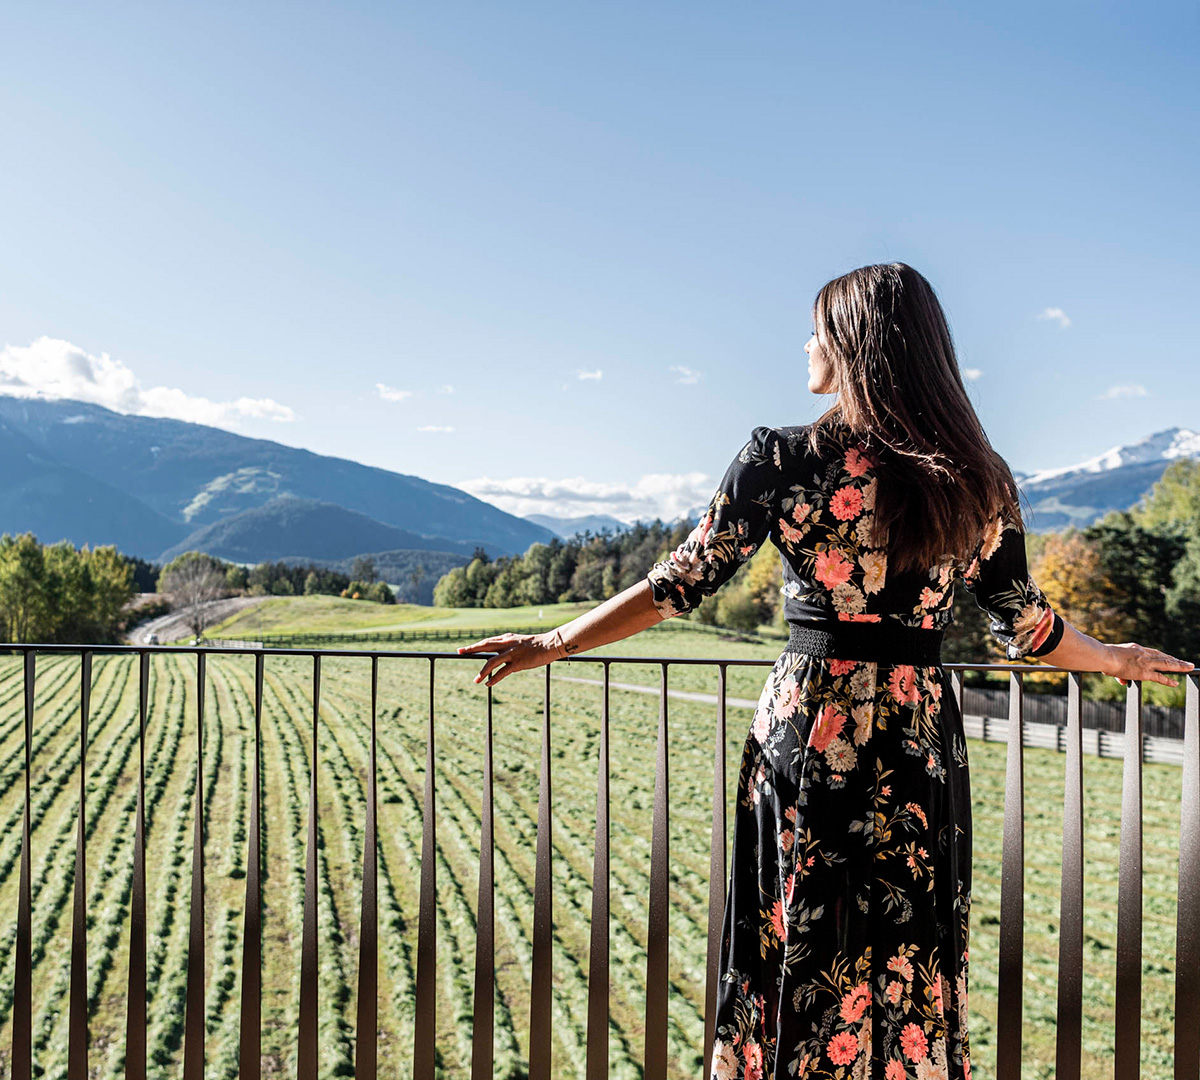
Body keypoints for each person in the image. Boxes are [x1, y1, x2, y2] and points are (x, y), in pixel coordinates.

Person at [458, 262, 1193, 1079]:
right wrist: (1114, 659)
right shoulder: (977, 477)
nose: (806, 344)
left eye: (817, 328)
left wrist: (554, 642)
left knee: (795, 926)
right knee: (909, 946)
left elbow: (679, 584)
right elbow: (1025, 620)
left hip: (812, 728)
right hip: (917, 737)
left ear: (852, 344)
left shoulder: (779, 459)